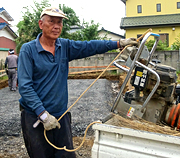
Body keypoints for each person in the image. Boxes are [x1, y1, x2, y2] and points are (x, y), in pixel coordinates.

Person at [18, 7, 139, 158]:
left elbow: (89, 46)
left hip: (60, 117)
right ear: (41, 24)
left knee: (67, 155)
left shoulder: (64, 46)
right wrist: (43, 115)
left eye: (60, 22)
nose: (56, 26)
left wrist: (119, 43)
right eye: (51, 22)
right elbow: (24, 86)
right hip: (36, 118)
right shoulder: (28, 50)